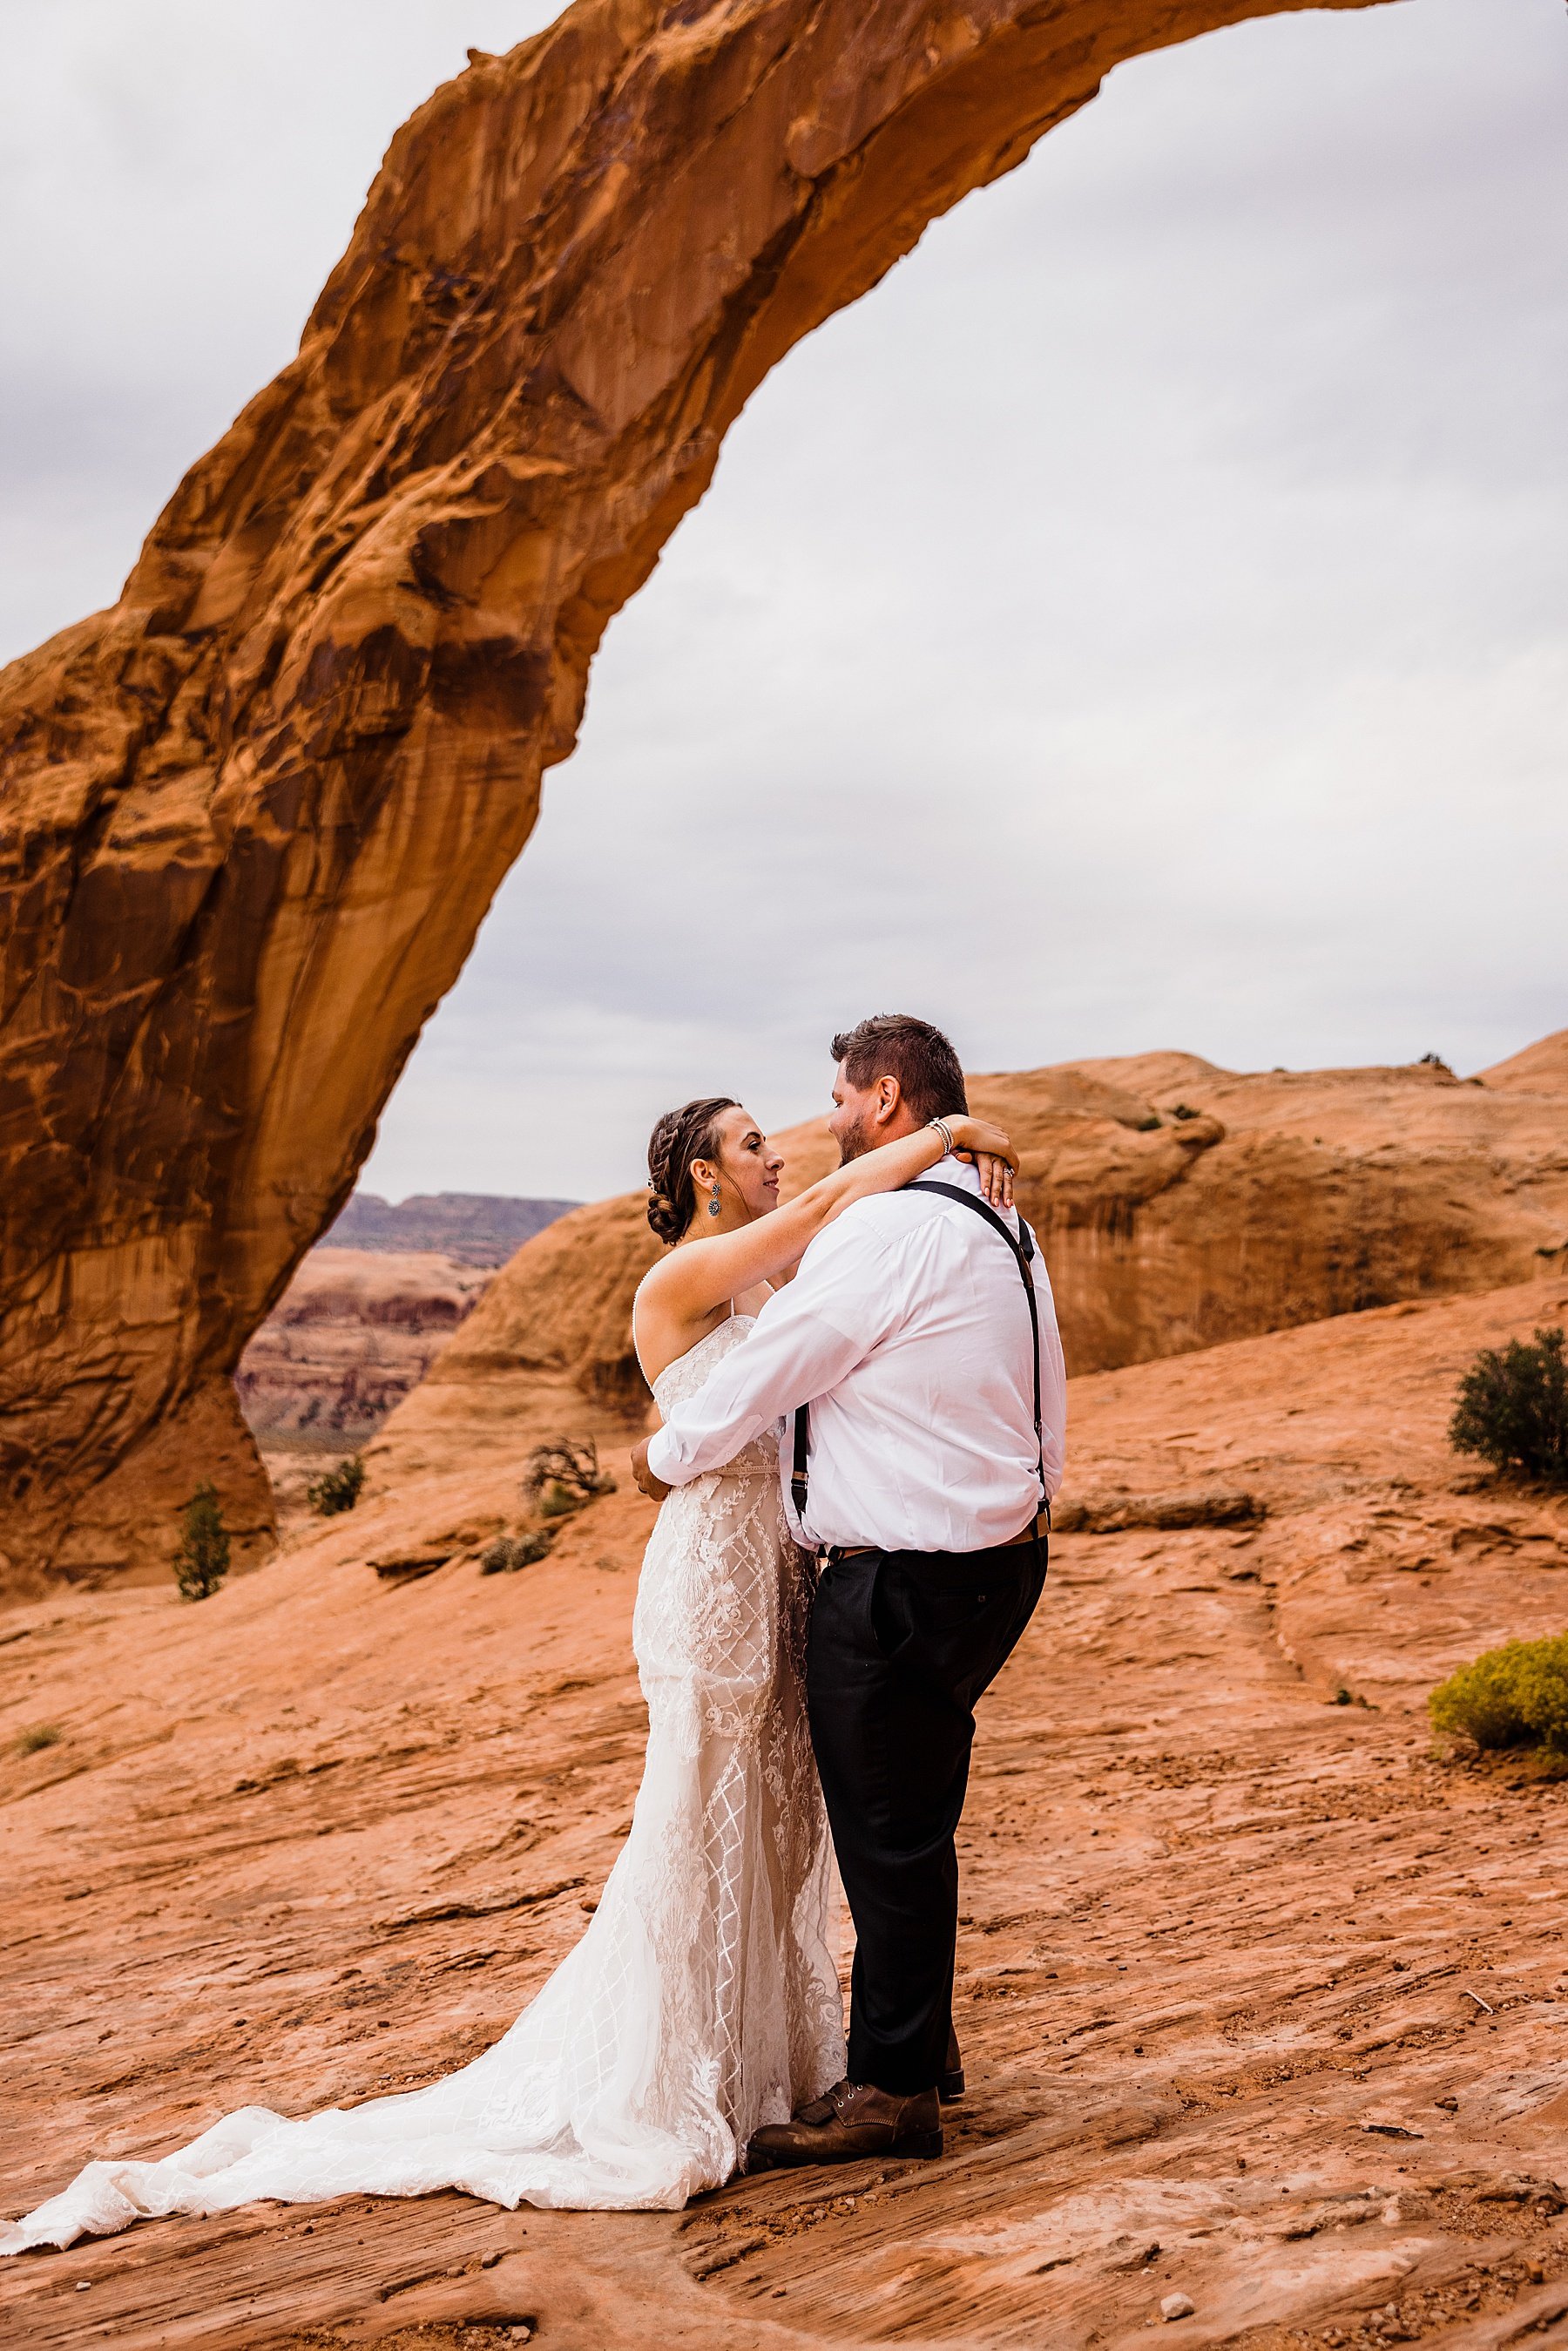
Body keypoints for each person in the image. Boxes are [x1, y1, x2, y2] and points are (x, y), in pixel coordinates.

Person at [1, 1091, 1017, 2255]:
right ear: (700, 1174)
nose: (777, 1154)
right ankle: (669, 2079)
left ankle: (755, 2072)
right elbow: (834, 1198)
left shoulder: (752, 1281)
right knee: (695, 1818)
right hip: (711, 1580)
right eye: (749, 1144)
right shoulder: (677, 1284)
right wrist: (947, 1135)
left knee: (776, 1822)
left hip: (778, 1574)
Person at [632, 1013, 1066, 2171]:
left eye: (833, 1098)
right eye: (758, 1134)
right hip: (992, 1564)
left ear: (881, 1099)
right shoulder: (998, 1218)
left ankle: (891, 2087)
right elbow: (1042, 1381)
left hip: (901, 1583)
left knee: (888, 1832)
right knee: (908, 1816)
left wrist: (660, 1458)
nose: (815, 1125)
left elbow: (778, 1366)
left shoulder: (880, 1230)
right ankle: (920, 2046)